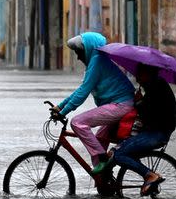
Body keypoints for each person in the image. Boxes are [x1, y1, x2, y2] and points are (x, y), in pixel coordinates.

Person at [51, 32, 135, 175]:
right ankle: (103, 182)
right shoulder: (95, 61)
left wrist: (64, 112)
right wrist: (60, 106)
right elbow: (82, 88)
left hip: (121, 105)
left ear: (89, 48)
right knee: (99, 139)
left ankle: (103, 158)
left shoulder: (98, 60)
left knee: (77, 123)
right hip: (119, 104)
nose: (78, 57)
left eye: (79, 52)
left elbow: (83, 92)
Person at [110, 63, 176, 196]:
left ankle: (149, 175)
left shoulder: (157, 87)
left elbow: (150, 113)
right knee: (116, 150)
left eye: (140, 75)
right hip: (154, 131)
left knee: (119, 155)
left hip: (157, 133)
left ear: (148, 74)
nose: (137, 78)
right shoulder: (155, 85)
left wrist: (139, 102)